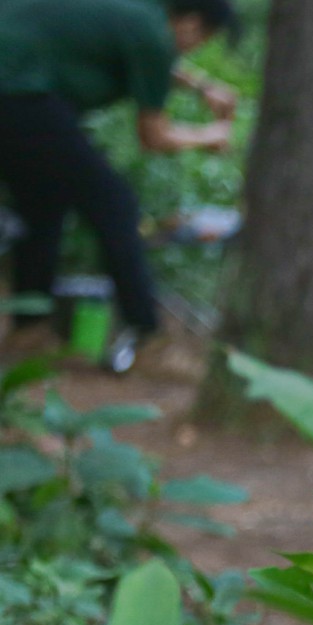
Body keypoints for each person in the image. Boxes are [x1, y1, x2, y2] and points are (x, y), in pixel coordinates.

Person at [0, 0, 239, 363]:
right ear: (192, 24)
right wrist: (211, 136)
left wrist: (202, 87)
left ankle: (29, 328)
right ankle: (148, 336)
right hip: (22, 98)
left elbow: (144, 58)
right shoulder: (152, 33)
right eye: (204, 38)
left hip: (17, 95)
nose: (195, 46)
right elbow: (154, 137)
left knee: (43, 203)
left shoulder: (137, 16)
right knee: (115, 204)